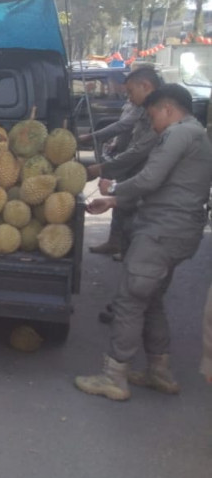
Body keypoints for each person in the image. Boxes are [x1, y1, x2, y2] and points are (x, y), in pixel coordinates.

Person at [76, 84, 212, 401]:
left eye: (153, 116)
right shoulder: (196, 135)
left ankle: (114, 377)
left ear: (167, 109)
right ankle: (159, 372)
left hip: (162, 233)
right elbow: (166, 190)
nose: (152, 124)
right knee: (150, 300)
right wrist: (114, 203)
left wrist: (114, 190)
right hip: (177, 230)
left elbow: (150, 179)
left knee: (129, 300)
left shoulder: (179, 134)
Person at [83, 67, 162, 257]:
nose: (129, 97)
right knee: (122, 204)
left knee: (134, 210)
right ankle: (118, 244)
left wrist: (102, 167)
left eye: (131, 92)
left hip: (143, 169)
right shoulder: (141, 106)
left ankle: (130, 251)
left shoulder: (158, 113)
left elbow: (139, 148)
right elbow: (129, 132)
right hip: (131, 164)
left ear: (146, 86)